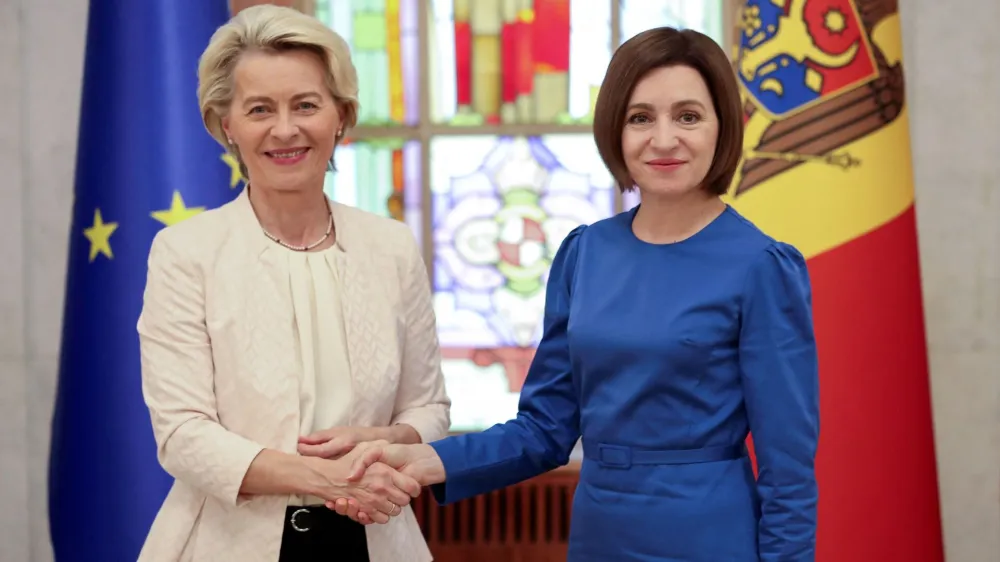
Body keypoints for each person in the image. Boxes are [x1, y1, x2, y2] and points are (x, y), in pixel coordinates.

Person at [342, 27, 820, 562]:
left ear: (721, 126)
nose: (663, 139)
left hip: (708, 533)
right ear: (614, 129)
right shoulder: (585, 252)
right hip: (600, 532)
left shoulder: (761, 265)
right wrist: (429, 459)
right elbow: (545, 430)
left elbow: (788, 472)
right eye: (641, 117)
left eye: (688, 116)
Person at [136, 5, 450, 562]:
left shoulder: (392, 247)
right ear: (224, 124)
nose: (285, 129)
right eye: (260, 109)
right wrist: (332, 480)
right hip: (229, 543)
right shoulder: (186, 254)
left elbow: (429, 410)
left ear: (341, 117)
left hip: (378, 538)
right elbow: (183, 435)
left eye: (306, 105)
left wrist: (390, 444)